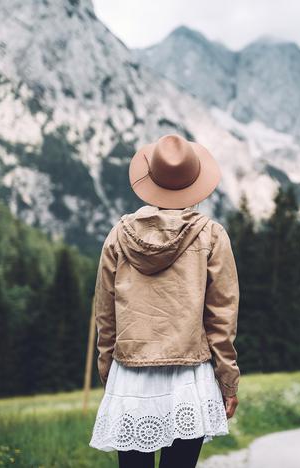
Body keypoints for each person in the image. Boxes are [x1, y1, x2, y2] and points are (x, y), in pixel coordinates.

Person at [88, 134, 240, 468]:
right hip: (190, 377)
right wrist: (228, 381)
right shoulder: (211, 235)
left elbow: (106, 316)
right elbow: (221, 319)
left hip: (130, 374)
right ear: (196, 183)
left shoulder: (118, 235)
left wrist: (108, 374)